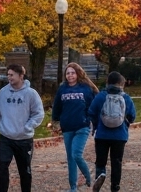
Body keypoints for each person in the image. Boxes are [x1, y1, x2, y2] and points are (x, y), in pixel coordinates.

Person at [0, 63, 45, 192]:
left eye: (12, 75)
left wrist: (28, 126)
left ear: (21, 76)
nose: (9, 77)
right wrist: (1, 124)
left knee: (25, 171)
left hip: (24, 139)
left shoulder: (31, 93)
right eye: (8, 75)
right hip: (6, 138)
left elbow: (38, 114)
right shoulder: (3, 92)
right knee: (2, 167)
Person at [51, 63, 98, 192]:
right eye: (68, 73)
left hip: (82, 127)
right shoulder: (62, 89)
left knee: (76, 154)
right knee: (70, 158)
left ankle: (88, 175)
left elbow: (93, 106)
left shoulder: (86, 88)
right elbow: (57, 106)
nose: (70, 75)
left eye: (72, 73)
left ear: (77, 74)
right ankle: (73, 187)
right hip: (67, 127)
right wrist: (55, 120)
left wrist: (90, 120)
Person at [87, 71, 136, 192]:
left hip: (102, 135)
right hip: (120, 136)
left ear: (107, 82)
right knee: (116, 162)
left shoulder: (100, 96)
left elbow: (91, 113)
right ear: (121, 83)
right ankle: (115, 186)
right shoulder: (126, 98)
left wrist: (96, 125)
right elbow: (132, 116)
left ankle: (100, 174)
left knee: (100, 160)